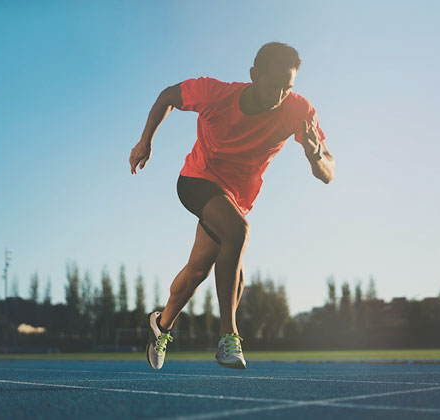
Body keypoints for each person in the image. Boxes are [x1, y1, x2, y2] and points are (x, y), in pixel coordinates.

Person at [129, 42, 335, 370]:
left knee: (199, 269)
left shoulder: (297, 110)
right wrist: (146, 140)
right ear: (254, 75)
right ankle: (229, 336)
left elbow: (328, 173)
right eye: (273, 85)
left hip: (235, 200)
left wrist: (315, 155)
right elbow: (169, 95)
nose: (280, 95)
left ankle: (161, 325)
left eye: (288, 87)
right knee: (238, 233)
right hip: (196, 180)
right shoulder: (217, 95)